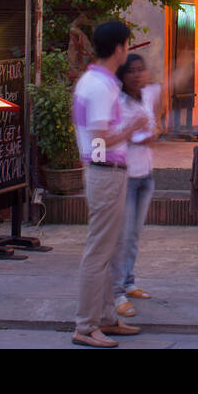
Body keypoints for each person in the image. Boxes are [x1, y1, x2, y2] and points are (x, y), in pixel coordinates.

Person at [71, 20, 148, 348]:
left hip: (108, 172)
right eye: (127, 45)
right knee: (99, 250)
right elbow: (100, 141)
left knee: (108, 248)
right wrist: (133, 128)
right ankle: (86, 326)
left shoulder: (97, 82)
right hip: (105, 172)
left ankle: (103, 318)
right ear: (119, 48)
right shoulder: (100, 86)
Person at [112, 54, 159, 318]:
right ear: (123, 75)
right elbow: (114, 137)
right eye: (132, 71)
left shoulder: (147, 97)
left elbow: (152, 127)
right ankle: (116, 293)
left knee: (135, 234)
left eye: (142, 69)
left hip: (146, 174)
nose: (138, 75)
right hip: (126, 176)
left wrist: (151, 132)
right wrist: (138, 133)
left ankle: (129, 282)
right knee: (123, 235)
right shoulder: (117, 102)